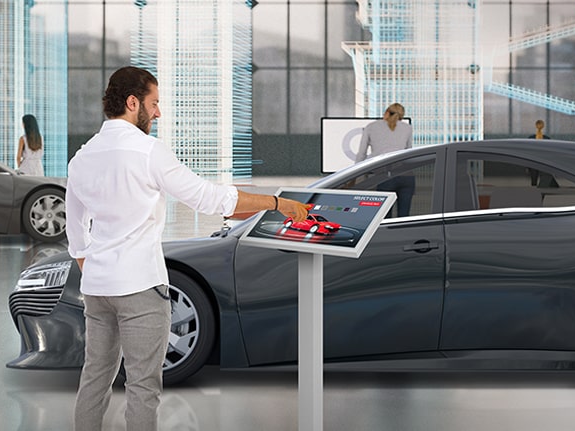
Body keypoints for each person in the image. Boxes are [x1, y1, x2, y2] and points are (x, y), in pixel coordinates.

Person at [65, 66, 307, 431]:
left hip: (98, 290)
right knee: (143, 387)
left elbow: (76, 234)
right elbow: (208, 199)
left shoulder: (82, 157)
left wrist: (100, 270)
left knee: (94, 381)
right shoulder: (147, 151)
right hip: (141, 289)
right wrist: (274, 202)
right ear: (133, 102)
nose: (158, 112)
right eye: (154, 103)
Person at [355, 103, 414, 217]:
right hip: (407, 175)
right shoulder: (407, 128)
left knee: (385, 218)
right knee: (404, 218)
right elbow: (408, 151)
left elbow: (361, 153)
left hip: (385, 174)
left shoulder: (371, 127)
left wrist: (354, 176)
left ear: (386, 113)